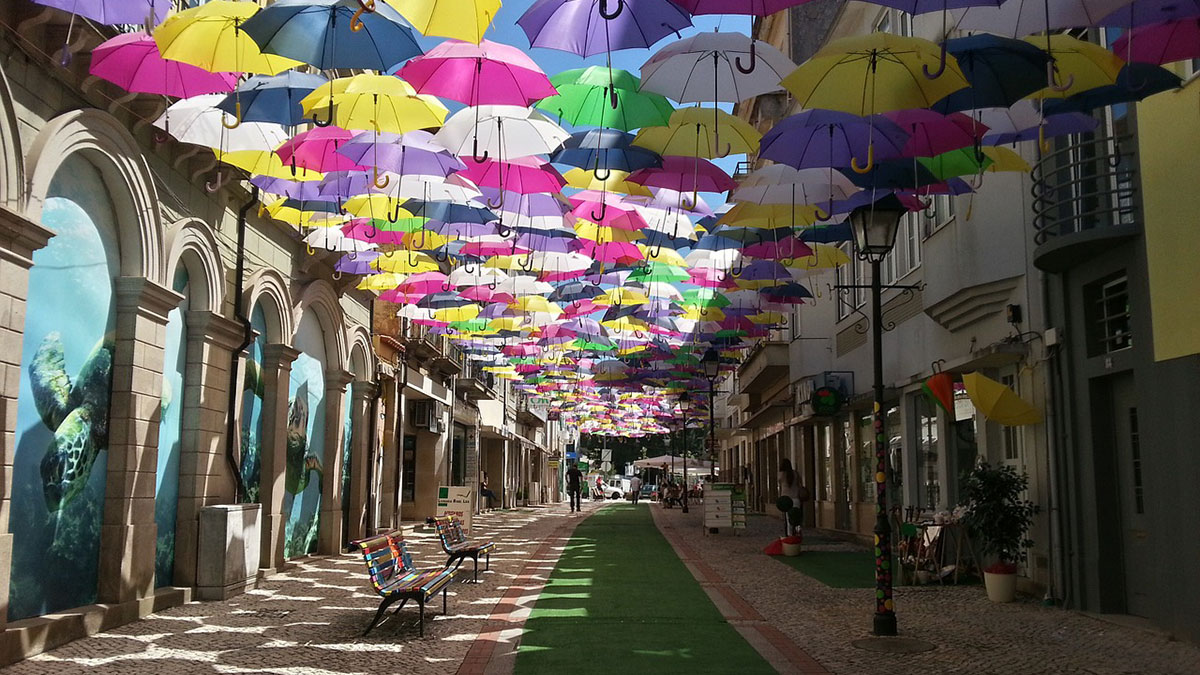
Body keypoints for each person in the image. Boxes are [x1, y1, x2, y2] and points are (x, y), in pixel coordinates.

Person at [778, 459, 806, 535]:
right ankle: (798, 531)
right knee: (797, 518)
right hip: (796, 498)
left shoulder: (781, 475)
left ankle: (790, 535)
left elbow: (779, 484)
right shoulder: (795, 474)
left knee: (788, 520)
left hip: (786, 500)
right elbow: (800, 484)